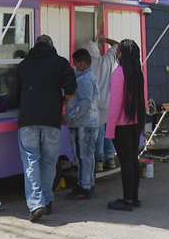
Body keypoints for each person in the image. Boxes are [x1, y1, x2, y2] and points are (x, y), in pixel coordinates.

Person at [16, 34, 77, 222]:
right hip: (52, 119)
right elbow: (71, 86)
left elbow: (15, 93)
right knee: (49, 162)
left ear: (35, 46)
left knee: (31, 161)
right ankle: (47, 201)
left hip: (28, 119)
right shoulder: (59, 62)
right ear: (51, 46)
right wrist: (62, 101)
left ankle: (36, 204)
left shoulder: (23, 65)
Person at [105, 39, 145, 211]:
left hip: (122, 124)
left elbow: (115, 105)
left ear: (121, 54)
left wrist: (109, 131)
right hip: (136, 122)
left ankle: (127, 200)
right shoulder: (138, 72)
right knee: (133, 160)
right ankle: (134, 198)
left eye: (118, 50)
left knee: (126, 161)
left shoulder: (118, 73)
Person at [64, 48, 100, 200]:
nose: (74, 67)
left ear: (82, 63)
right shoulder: (88, 77)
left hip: (84, 124)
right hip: (87, 123)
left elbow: (85, 102)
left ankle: (84, 187)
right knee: (86, 156)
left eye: (76, 63)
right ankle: (86, 184)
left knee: (83, 156)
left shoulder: (85, 80)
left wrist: (70, 117)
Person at [81, 36, 119, 173]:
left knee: (98, 131)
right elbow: (118, 45)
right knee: (107, 131)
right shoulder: (107, 60)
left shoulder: (86, 67)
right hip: (108, 102)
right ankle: (110, 158)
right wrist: (105, 40)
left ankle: (99, 161)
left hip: (94, 104)